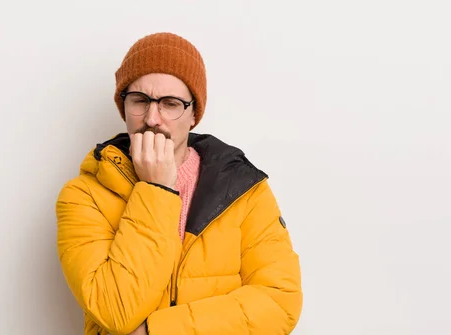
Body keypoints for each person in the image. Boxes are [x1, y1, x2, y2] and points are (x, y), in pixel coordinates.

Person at [55, 32, 303, 335]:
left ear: (194, 113)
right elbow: (115, 310)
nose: (153, 118)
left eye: (170, 104)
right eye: (139, 100)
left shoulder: (244, 189)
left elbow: (279, 303)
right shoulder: (84, 196)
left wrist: (156, 331)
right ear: (124, 107)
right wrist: (156, 190)